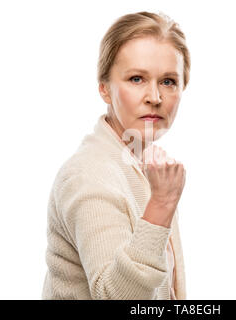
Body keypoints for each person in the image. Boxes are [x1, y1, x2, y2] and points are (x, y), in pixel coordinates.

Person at [41, 10, 191, 300]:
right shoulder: (90, 174)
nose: (155, 97)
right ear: (105, 89)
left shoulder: (142, 163)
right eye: (136, 79)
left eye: (168, 81)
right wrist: (162, 204)